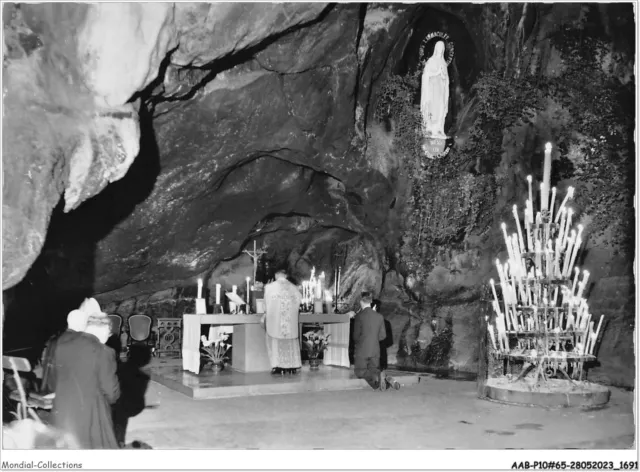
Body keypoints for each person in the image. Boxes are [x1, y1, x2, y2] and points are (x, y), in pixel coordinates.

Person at [51, 315, 120, 449]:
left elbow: (54, 378)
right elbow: (111, 390)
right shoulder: (104, 351)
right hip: (91, 412)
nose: (109, 336)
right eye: (109, 332)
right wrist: (111, 400)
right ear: (104, 329)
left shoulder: (62, 345)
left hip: (62, 408)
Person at [262, 269, 302, 375]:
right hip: (290, 323)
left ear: (276, 274)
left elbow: (265, 305)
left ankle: (278, 366)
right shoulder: (294, 288)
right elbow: (298, 303)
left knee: (276, 342)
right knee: (290, 343)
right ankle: (292, 366)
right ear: (286, 275)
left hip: (276, 322)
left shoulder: (270, 287)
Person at [352, 292, 387, 390]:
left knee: (359, 371)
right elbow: (383, 336)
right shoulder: (379, 316)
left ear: (361, 302)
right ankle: (381, 380)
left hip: (362, 349)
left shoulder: (359, 316)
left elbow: (355, 336)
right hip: (375, 349)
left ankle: (379, 380)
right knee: (373, 369)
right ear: (371, 302)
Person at [420, 40, 450, 138]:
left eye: (442, 48)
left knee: (441, 108)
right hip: (432, 91)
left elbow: (447, 80)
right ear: (436, 49)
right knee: (432, 109)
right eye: (439, 48)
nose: (440, 50)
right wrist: (436, 73)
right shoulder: (430, 61)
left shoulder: (444, 63)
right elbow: (425, 75)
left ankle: (439, 129)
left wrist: (443, 76)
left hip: (441, 91)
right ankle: (430, 128)